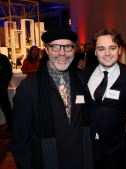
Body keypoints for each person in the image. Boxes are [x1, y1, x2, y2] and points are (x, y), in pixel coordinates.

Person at [11, 26, 93, 169]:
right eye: (55, 47)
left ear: (74, 50)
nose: (62, 52)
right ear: (47, 50)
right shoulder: (28, 89)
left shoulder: (80, 81)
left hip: (80, 162)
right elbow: (20, 142)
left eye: (67, 47)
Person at [81, 28, 126, 169]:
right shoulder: (84, 74)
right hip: (87, 146)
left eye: (112, 48)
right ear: (95, 51)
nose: (107, 53)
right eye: (101, 49)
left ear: (120, 50)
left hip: (116, 149)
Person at [0, 53, 13, 131]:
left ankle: (12, 127)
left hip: (1, 88)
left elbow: (9, 72)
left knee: (6, 107)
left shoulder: (3, 58)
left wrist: (3, 84)